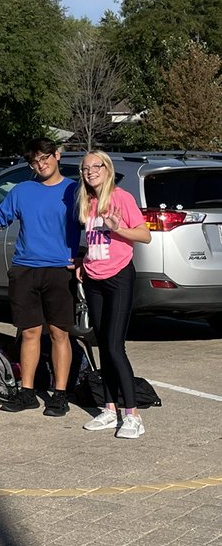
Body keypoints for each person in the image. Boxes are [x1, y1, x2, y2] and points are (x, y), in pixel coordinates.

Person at [0, 138, 80, 416]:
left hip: (59, 269)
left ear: (57, 155)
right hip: (25, 268)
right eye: (34, 162)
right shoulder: (22, 191)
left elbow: (92, 225)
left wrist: (84, 256)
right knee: (29, 332)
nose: (41, 165)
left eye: (45, 158)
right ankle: (27, 392)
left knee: (58, 332)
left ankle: (60, 394)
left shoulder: (75, 191)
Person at [77, 151, 151, 439]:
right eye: (85, 168)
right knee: (101, 344)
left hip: (119, 277)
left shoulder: (122, 198)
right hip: (94, 279)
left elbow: (145, 235)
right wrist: (83, 263)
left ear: (107, 169)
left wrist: (119, 228)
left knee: (114, 345)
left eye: (96, 166)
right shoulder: (87, 201)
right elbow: (92, 240)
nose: (90, 172)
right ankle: (109, 409)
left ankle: (132, 414)